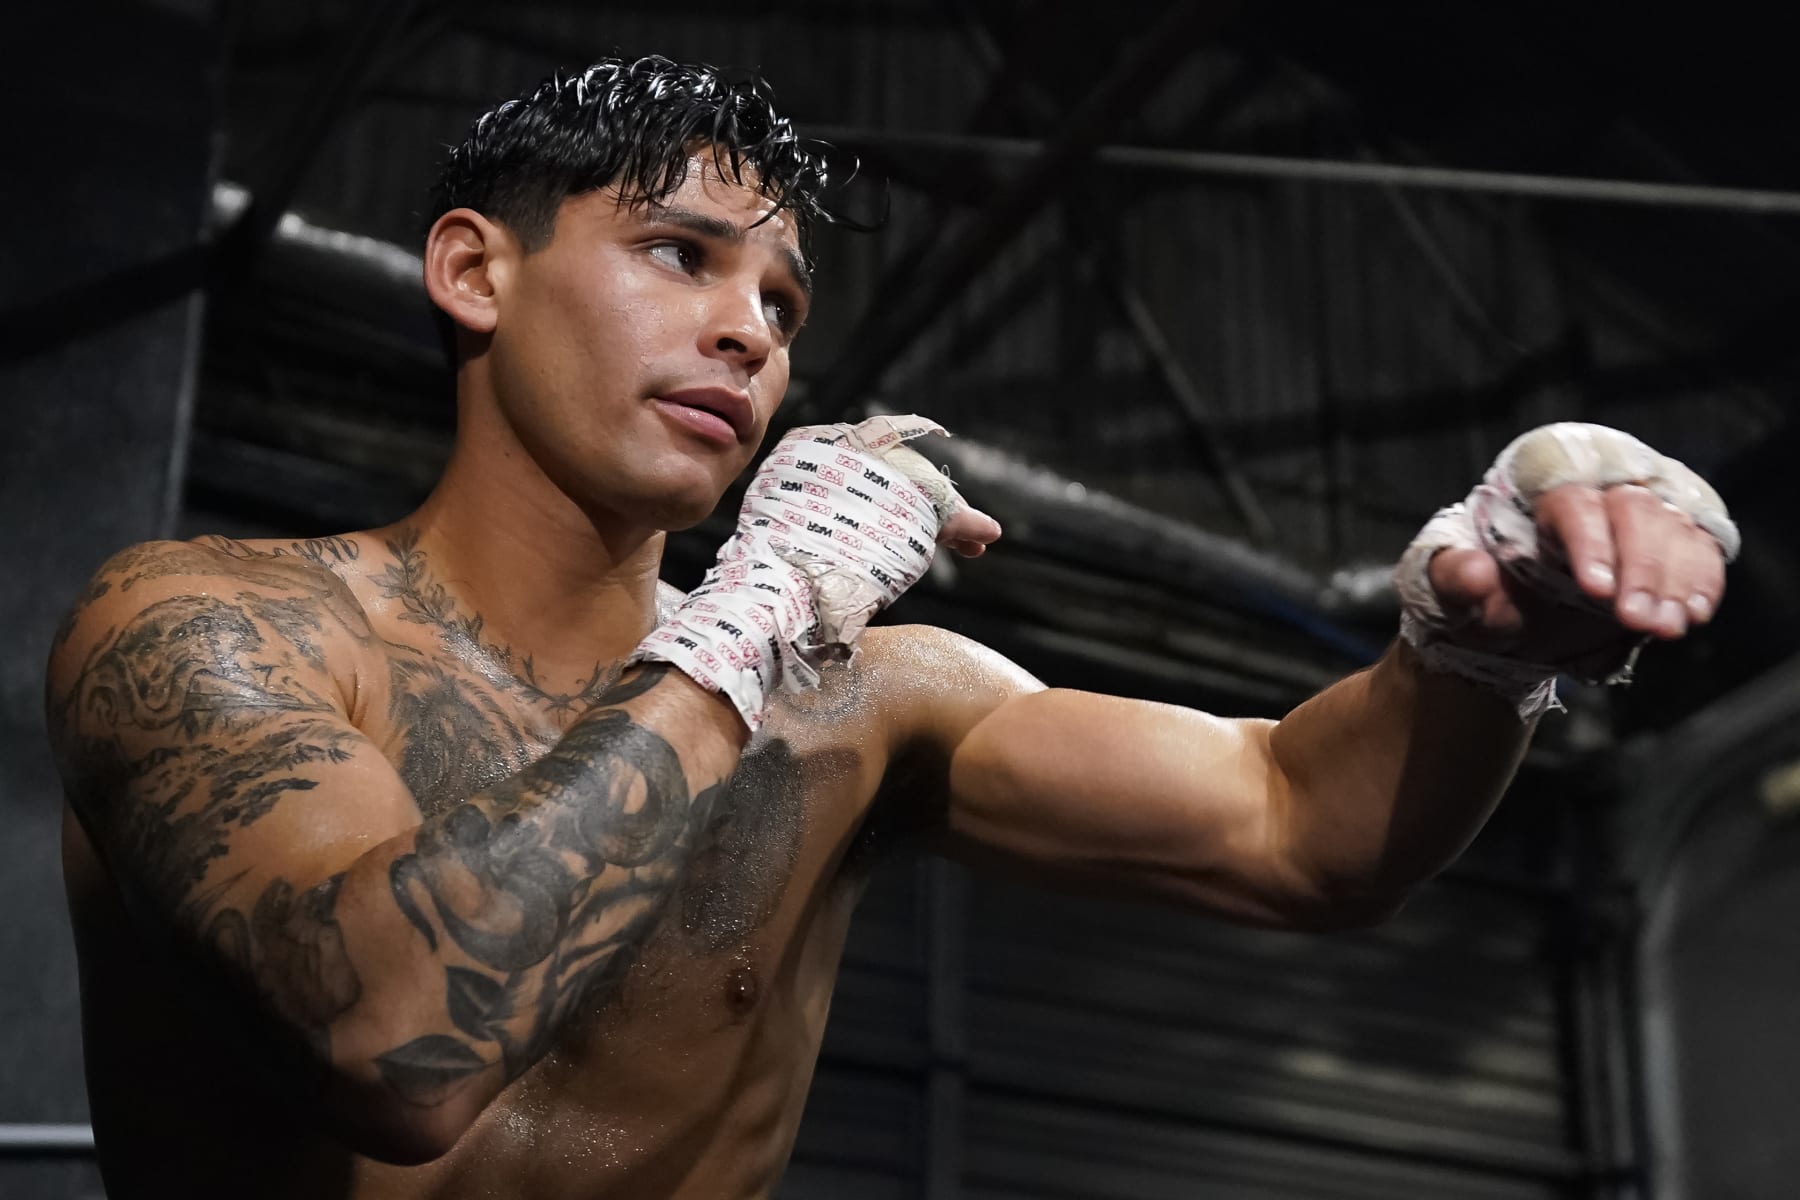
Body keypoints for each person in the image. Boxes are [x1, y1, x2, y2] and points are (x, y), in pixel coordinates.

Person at [45, 56, 1733, 1200]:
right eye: (680, 255)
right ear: (476, 272)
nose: (748, 335)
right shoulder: (205, 628)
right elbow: (392, 1043)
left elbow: (1306, 831)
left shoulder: (861, 703)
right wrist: (751, 622)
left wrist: (1484, 646)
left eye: (780, 303)